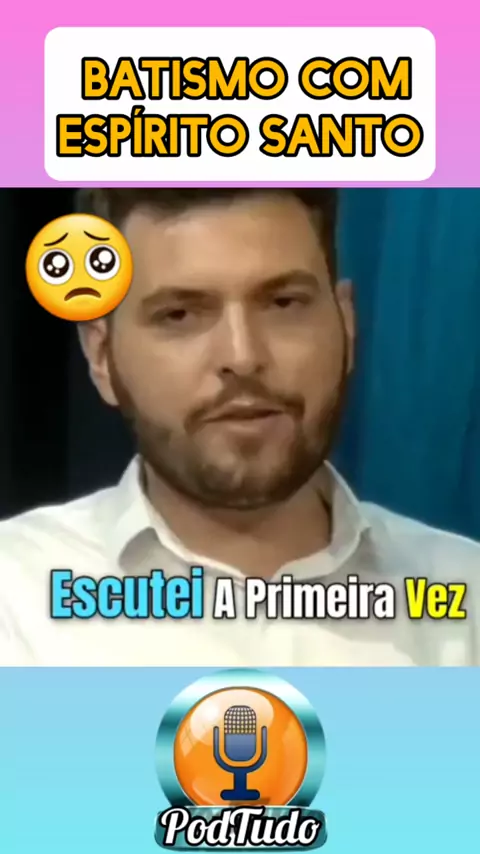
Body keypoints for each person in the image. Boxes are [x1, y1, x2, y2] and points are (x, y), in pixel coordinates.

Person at [0, 188, 478, 667]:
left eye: (284, 303)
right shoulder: (16, 598)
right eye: (180, 315)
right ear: (102, 356)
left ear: (346, 327)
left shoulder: (464, 597)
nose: (242, 356)